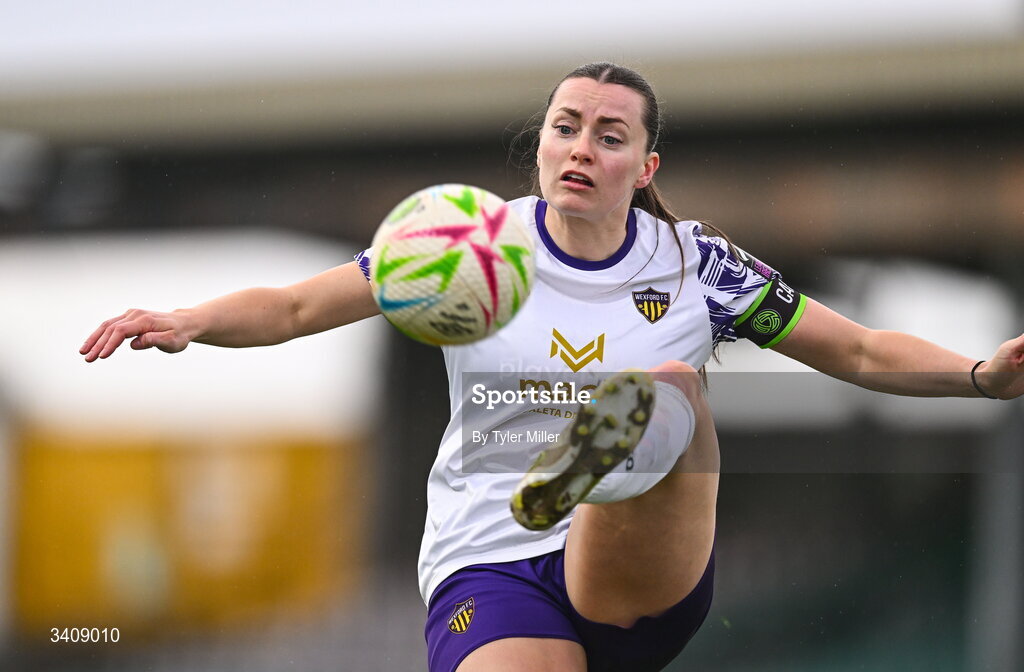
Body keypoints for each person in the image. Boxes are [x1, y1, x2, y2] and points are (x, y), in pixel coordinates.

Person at [80, 62, 1024, 672]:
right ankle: (586, 457)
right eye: (566, 126)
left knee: (673, 390)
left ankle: (599, 462)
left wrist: (981, 377)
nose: (582, 147)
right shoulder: (465, 244)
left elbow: (856, 348)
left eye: (610, 136)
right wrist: (188, 321)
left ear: (644, 167)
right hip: (489, 560)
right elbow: (294, 306)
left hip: (632, 571)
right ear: (539, 143)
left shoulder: (698, 265)